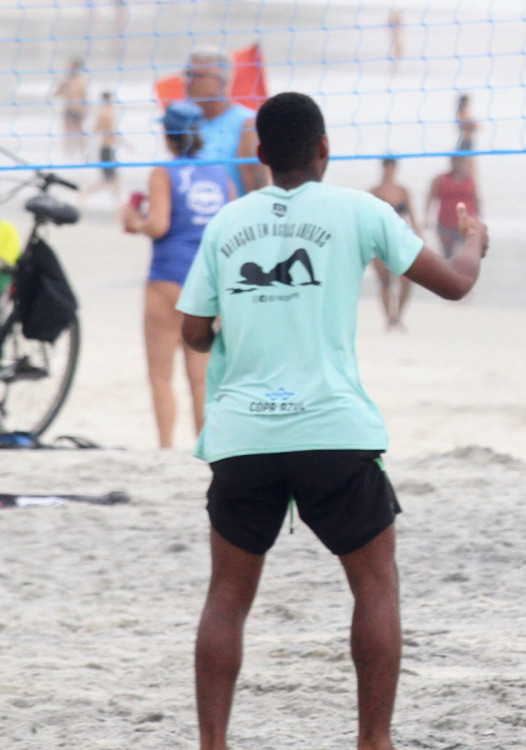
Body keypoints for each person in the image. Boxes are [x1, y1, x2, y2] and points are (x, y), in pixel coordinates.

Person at [177, 92, 488, 750]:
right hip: (333, 431)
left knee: (227, 596)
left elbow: (194, 332)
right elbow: (457, 285)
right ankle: (373, 741)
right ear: (324, 149)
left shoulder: (227, 224)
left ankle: (212, 744)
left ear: (259, 156)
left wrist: (237, 328)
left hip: (244, 435)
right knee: (375, 585)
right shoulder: (361, 210)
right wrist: (474, 244)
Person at [120, 101, 233, 449]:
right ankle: (204, 444)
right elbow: (228, 227)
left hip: (168, 277)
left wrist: (132, 220)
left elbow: (158, 225)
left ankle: (167, 447)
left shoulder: (163, 171)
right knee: (200, 376)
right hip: (207, 281)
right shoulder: (220, 173)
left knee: (160, 375)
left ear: (168, 135)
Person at [184, 46, 268, 196]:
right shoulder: (187, 122)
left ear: (221, 81)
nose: (188, 82)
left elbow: (258, 195)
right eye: (187, 74)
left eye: (196, 75)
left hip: (229, 216)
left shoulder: (247, 125)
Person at [368, 158, 421, 330]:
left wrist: (418, 238)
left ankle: (398, 315)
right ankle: (389, 319)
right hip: (379, 240)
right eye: (386, 167)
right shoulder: (374, 192)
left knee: (406, 281)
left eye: (391, 167)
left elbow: (412, 217)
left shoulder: (403, 191)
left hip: (399, 239)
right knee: (385, 282)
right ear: (383, 168)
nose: (389, 170)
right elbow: (366, 220)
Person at [426, 156, 479, 259]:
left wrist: (477, 219)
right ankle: (448, 273)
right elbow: (430, 197)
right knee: (448, 254)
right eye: (456, 161)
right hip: (445, 224)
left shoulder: (469, 180)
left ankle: (462, 273)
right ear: (451, 162)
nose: (458, 164)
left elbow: (475, 199)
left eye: (460, 161)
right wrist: (427, 217)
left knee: (465, 254)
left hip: (465, 224)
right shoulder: (440, 179)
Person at [79, 91, 123, 205]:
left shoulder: (105, 112)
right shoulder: (106, 113)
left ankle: (117, 206)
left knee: (113, 180)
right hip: (106, 150)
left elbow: (97, 130)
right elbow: (107, 131)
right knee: (109, 180)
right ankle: (85, 193)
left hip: (108, 149)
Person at [53, 57, 88, 158]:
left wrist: (85, 110)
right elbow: (56, 94)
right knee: (67, 133)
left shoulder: (81, 81)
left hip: (78, 110)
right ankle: (69, 155)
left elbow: (85, 97)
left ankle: (83, 153)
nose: (68, 68)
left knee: (80, 132)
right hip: (68, 109)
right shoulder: (66, 81)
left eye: (71, 66)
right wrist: (62, 86)